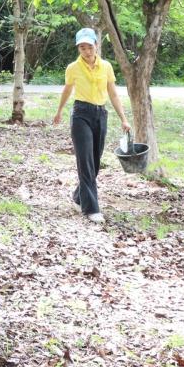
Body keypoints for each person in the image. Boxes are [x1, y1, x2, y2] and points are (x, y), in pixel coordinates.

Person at [52, 27, 130, 225]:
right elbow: (67, 89)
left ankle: (79, 196)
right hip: (81, 115)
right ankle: (91, 208)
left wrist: (123, 118)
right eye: (82, 48)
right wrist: (60, 111)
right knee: (85, 161)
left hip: (100, 114)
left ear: (96, 45)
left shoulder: (106, 67)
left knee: (94, 162)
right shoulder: (73, 68)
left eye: (89, 46)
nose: (86, 51)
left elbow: (112, 93)